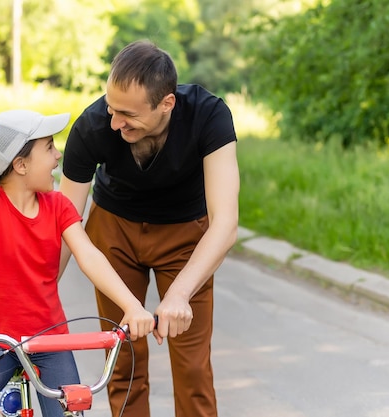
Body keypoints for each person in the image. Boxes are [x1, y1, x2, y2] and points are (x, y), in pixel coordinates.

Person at [58, 40, 240, 417]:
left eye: (127, 114)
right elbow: (65, 221)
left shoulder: (209, 116)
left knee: (192, 367)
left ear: (166, 104)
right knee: (123, 360)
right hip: (114, 233)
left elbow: (225, 223)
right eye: (111, 107)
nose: (114, 122)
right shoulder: (92, 127)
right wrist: (40, 290)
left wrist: (178, 295)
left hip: (185, 237)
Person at [0, 109, 156, 417]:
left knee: (72, 409)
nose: (58, 156)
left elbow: (89, 256)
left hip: (49, 340)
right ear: (21, 164)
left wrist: (132, 307)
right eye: (50, 147)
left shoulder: (58, 206)